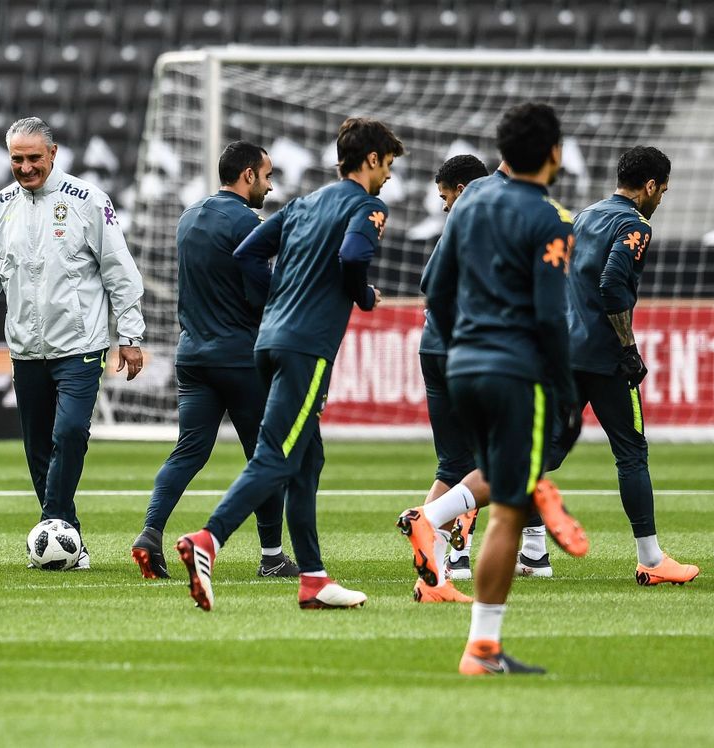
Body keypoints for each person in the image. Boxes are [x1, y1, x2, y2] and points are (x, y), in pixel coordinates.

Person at [175, 117, 403, 612]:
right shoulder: (368, 206)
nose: (388, 176)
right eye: (387, 165)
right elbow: (352, 256)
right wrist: (362, 295)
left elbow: (248, 252)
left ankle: (314, 578)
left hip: (267, 342)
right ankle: (207, 541)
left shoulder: (304, 203)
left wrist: (280, 295)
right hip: (307, 347)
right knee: (275, 457)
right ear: (370, 160)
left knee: (307, 458)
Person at [423, 102, 590, 675]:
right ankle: (482, 648)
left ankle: (531, 485)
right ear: (554, 154)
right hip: (516, 368)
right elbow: (549, 317)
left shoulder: (467, 206)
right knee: (507, 512)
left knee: (501, 476)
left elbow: (433, 288)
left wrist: (459, 343)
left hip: (462, 366)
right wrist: (566, 392)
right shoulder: (549, 220)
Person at [0, 117, 145, 567]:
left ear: (54, 154)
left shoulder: (88, 201)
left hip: (81, 345)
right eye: (17, 158)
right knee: (38, 447)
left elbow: (120, 272)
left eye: (34, 157)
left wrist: (130, 335)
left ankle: (54, 521)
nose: (26, 166)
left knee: (71, 431)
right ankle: (67, 539)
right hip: (25, 349)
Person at [131, 141, 299, 580]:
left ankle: (151, 532)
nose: (269, 183)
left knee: (188, 451)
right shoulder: (247, 221)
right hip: (240, 357)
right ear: (247, 175)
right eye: (266, 175)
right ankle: (271, 556)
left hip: (193, 356)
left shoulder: (189, 215)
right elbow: (260, 292)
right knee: (264, 456)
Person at [544, 145, 699, 586]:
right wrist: (628, 347)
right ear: (650, 186)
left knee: (547, 451)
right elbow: (612, 284)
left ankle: (458, 505)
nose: (660, 200)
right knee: (631, 452)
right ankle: (650, 559)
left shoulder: (584, 216)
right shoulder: (635, 224)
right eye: (662, 191)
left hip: (567, 351)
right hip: (606, 358)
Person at [405, 154, 493, 604]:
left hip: (433, 348)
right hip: (468, 352)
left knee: (453, 463)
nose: (444, 207)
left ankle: (433, 577)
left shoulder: (464, 219)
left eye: (444, 197)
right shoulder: (489, 212)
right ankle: (531, 552)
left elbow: (428, 280)